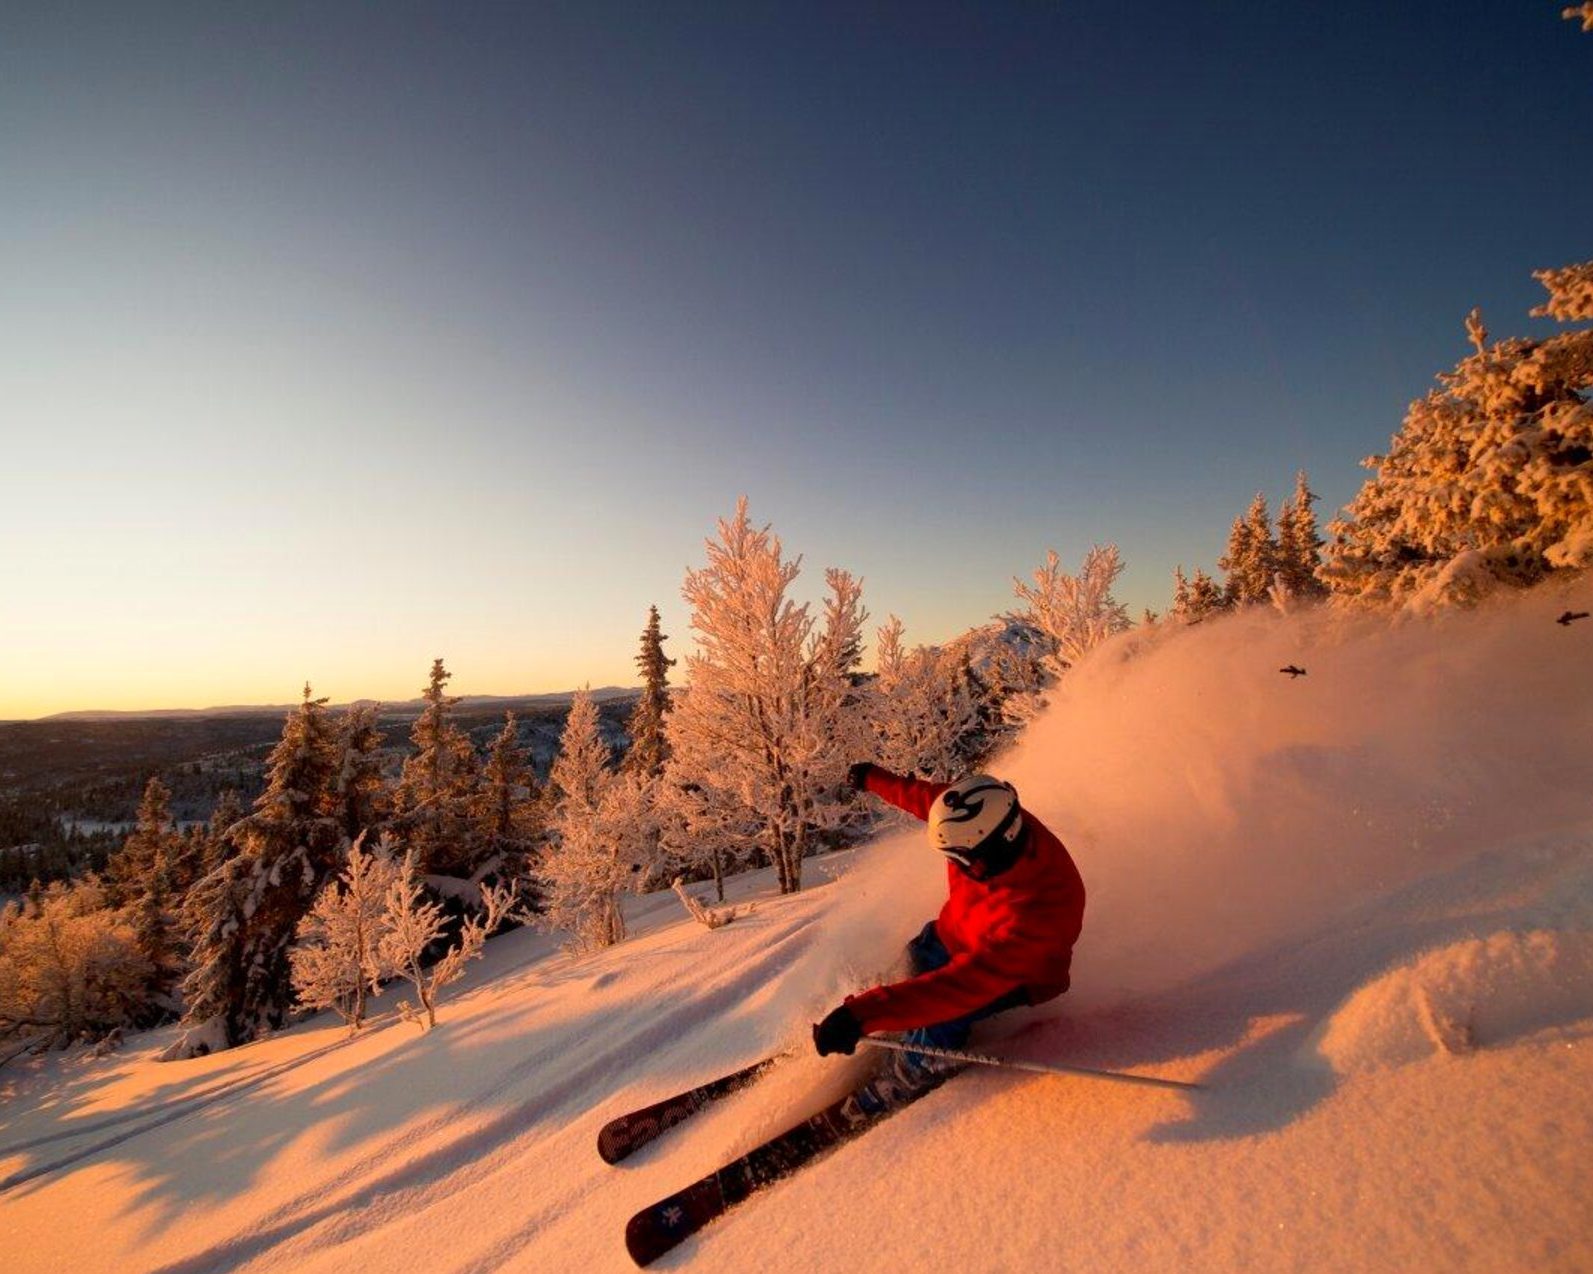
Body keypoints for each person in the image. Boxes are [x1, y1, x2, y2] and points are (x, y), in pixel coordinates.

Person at [812, 763, 1086, 1105]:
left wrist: (861, 1015)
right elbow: (928, 799)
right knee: (912, 963)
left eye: (957, 858)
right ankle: (887, 1018)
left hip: (1015, 976)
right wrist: (872, 777)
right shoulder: (986, 813)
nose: (952, 865)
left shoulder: (1043, 912)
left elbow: (957, 989)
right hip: (953, 932)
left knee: (943, 1018)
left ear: (986, 857)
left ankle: (912, 1072)